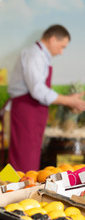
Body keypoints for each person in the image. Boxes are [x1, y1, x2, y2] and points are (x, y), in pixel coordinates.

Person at [7, 24, 85, 173]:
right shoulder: (34, 54)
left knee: (30, 157)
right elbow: (37, 90)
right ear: (53, 39)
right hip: (26, 110)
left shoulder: (41, 56)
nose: (61, 52)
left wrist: (68, 98)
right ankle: (15, 194)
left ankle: (26, 192)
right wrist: (69, 101)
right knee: (23, 160)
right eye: (62, 46)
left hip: (33, 113)